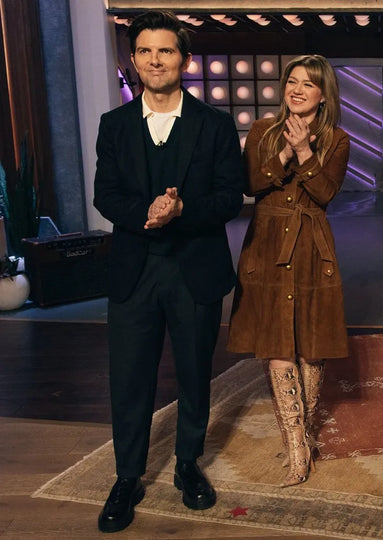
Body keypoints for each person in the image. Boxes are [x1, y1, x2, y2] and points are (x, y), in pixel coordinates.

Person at [93, 10, 244, 533]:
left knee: (195, 374)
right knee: (128, 378)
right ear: (134, 61)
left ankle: (187, 464)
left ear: (184, 59)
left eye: (166, 50)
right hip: (133, 270)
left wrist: (182, 210)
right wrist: (145, 212)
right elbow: (106, 194)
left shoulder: (215, 125)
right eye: (145, 51)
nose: (155, 60)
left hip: (194, 268)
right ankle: (127, 476)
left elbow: (229, 197)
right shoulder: (113, 125)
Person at [228, 55, 349, 487]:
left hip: (312, 247)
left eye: (308, 84)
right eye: (292, 82)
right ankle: (297, 448)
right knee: (277, 342)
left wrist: (305, 151)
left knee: (311, 345)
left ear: (323, 95)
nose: (297, 90)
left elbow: (325, 193)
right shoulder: (262, 130)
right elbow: (250, 185)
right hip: (267, 246)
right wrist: (284, 151)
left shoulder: (337, 139)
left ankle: (307, 435)